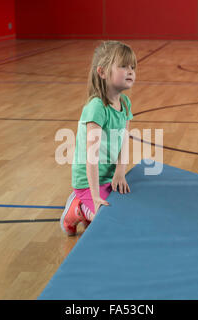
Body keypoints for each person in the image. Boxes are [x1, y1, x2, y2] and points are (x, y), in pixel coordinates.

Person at [60, 40, 137, 236]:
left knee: (127, 215)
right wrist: (94, 196)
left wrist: (120, 172)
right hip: (88, 181)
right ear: (102, 72)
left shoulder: (125, 103)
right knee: (107, 222)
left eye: (132, 67)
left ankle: (88, 211)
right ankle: (76, 208)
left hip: (110, 176)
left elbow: (124, 141)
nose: (130, 71)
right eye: (123, 66)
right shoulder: (96, 108)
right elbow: (91, 156)